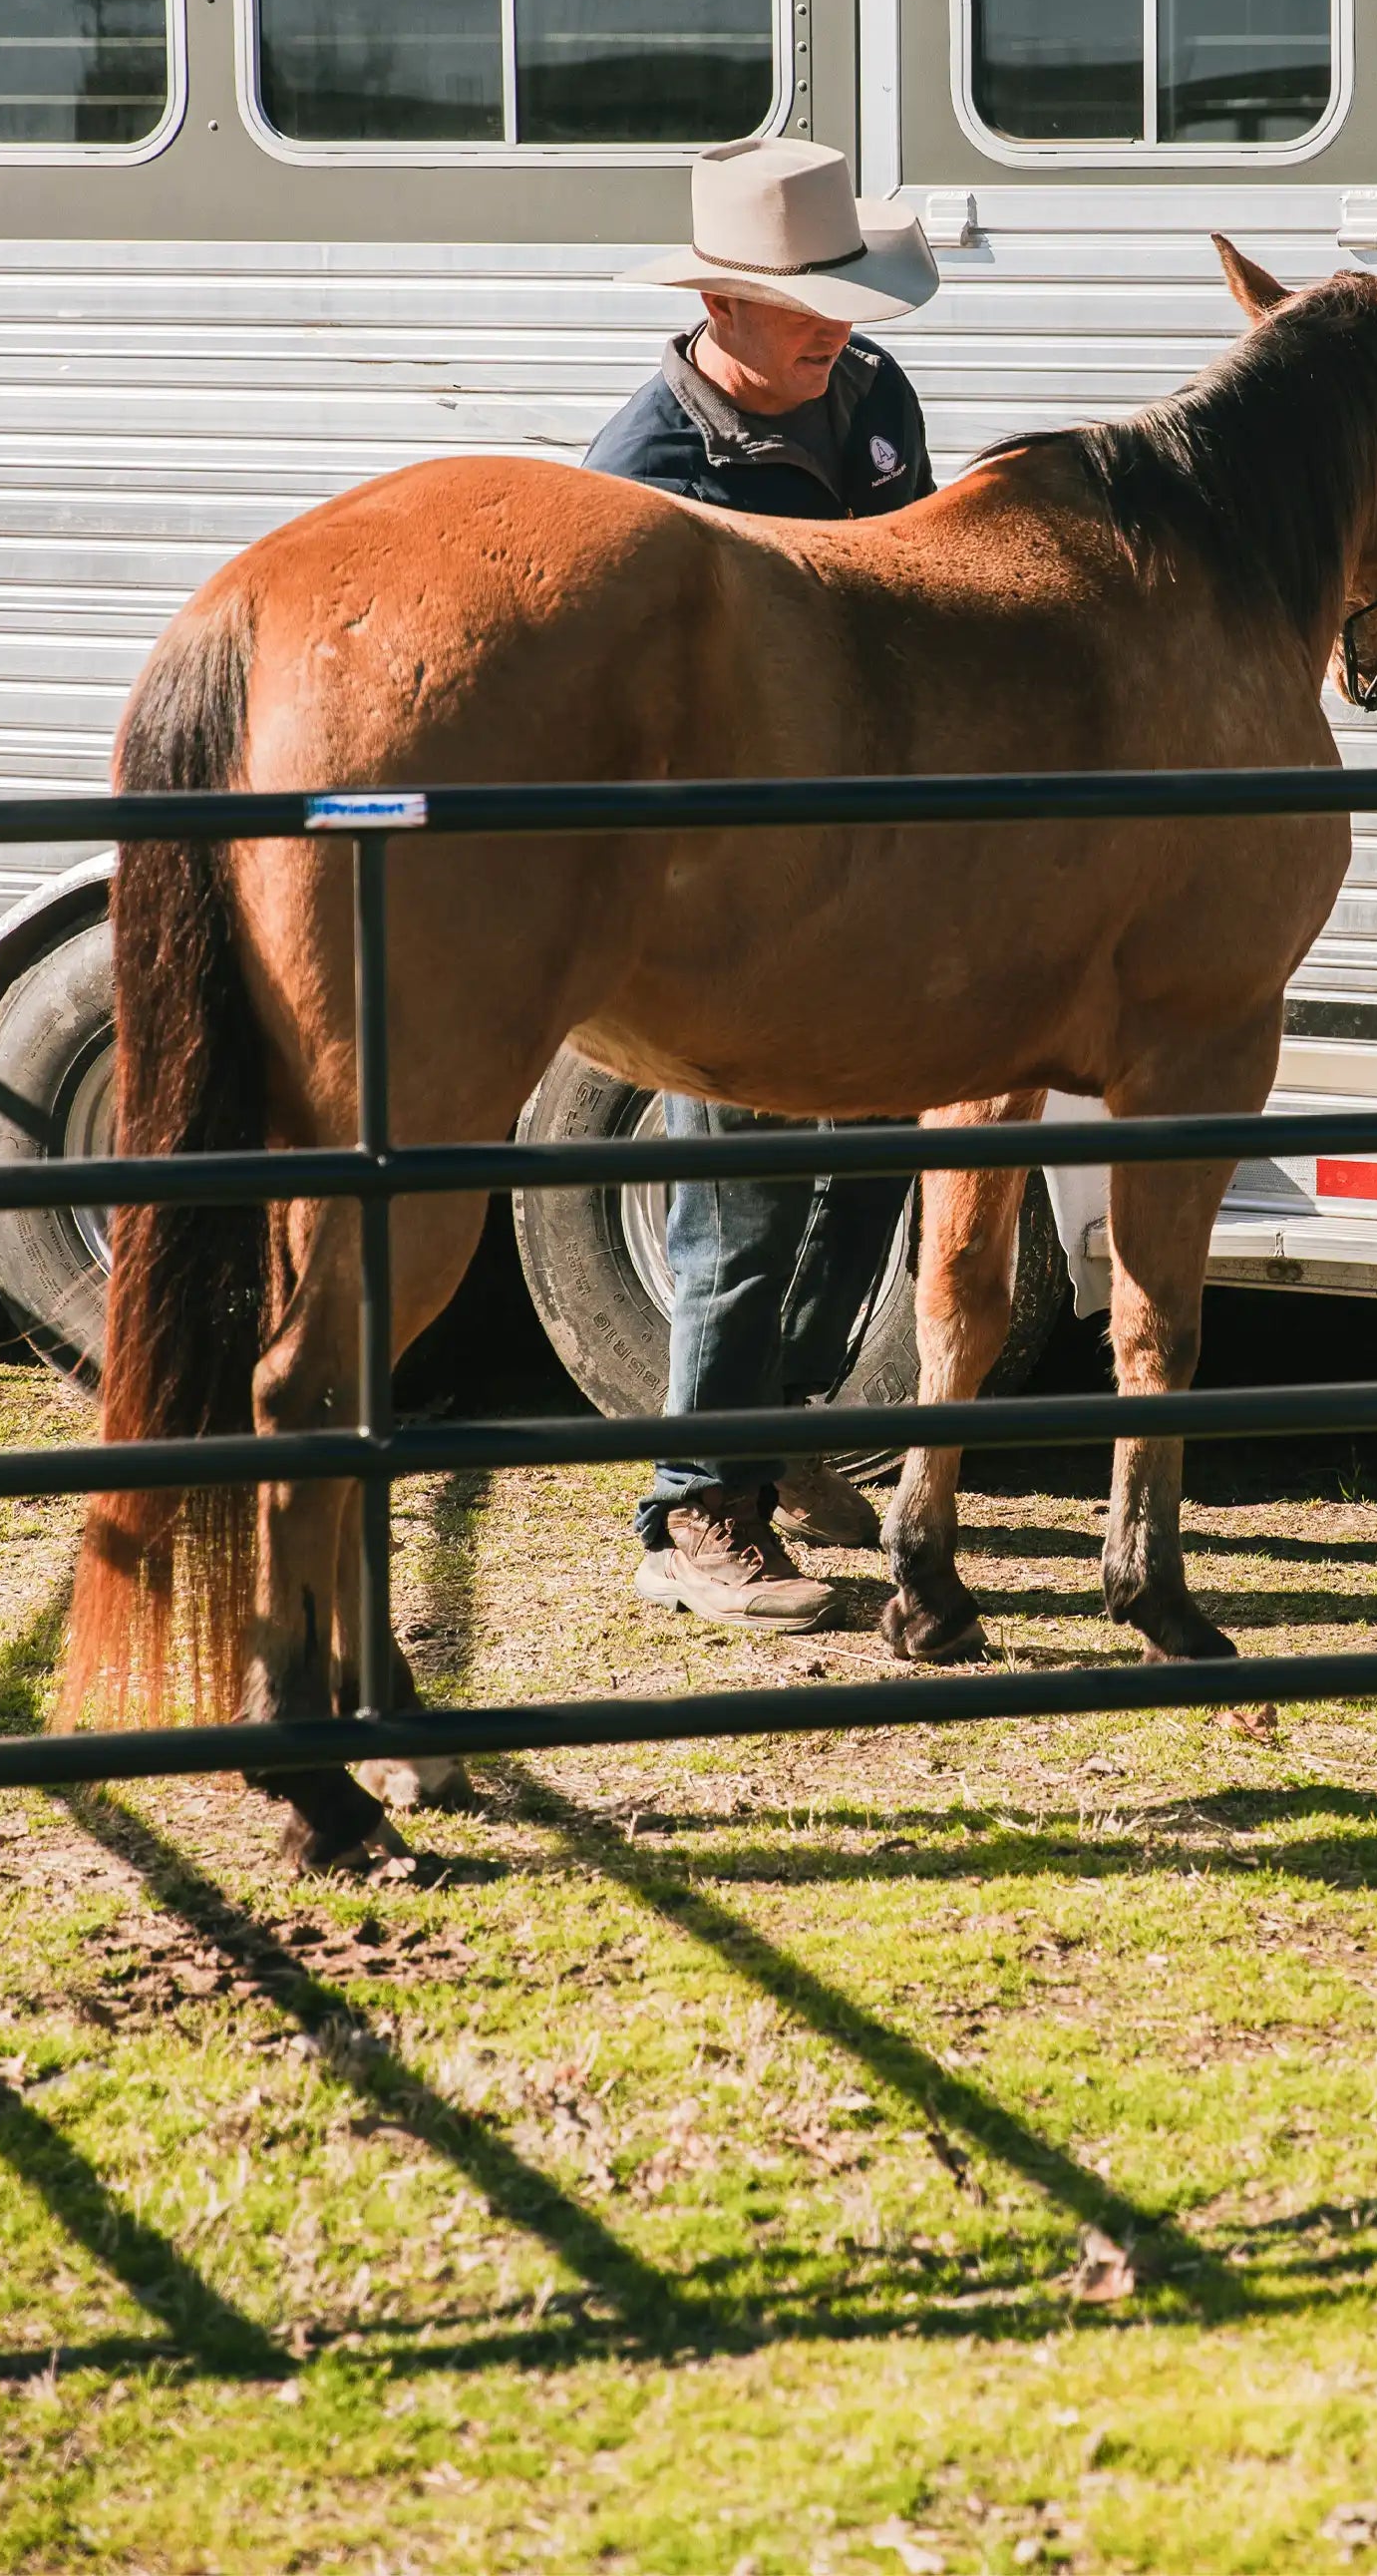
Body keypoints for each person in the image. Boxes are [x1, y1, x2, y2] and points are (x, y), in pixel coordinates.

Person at [584, 131, 940, 1632]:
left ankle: (776, 1422)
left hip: (869, 870)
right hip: (726, 890)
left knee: (871, 1170)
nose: (840, 329)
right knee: (735, 1189)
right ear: (722, 308)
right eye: (811, 309)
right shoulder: (644, 471)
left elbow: (925, 576)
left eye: (848, 299)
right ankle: (693, 1514)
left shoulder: (869, 397)